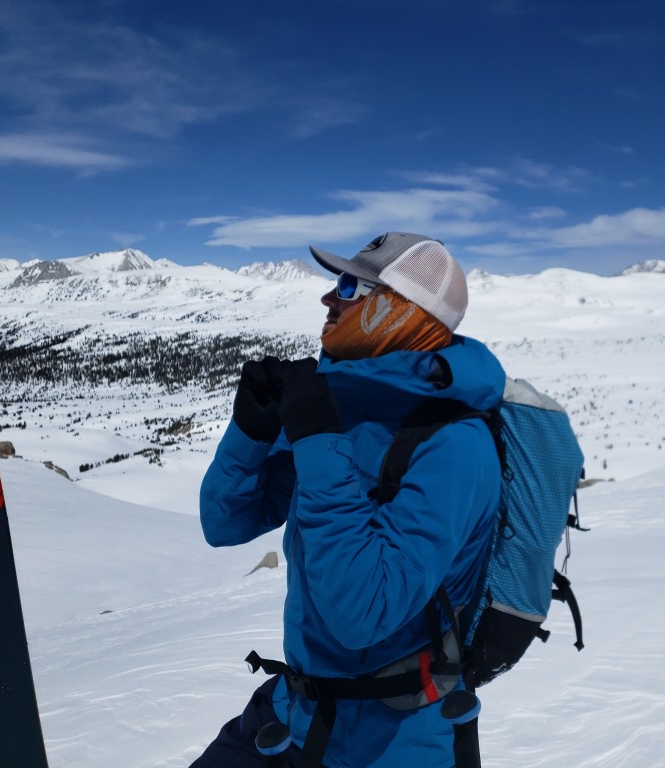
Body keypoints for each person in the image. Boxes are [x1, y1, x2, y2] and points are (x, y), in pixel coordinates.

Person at [192, 233, 505, 767]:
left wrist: (317, 441)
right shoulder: (345, 410)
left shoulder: (454, 444)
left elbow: (364, 612)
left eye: (349, 286)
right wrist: (250, 430)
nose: (328, 299)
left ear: (400, 310)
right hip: (294, 712)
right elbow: (224, 522)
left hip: (390, 740)